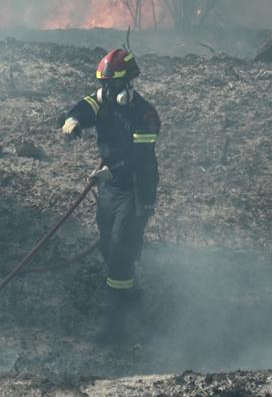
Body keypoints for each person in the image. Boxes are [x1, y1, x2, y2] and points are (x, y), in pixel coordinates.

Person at [61, 48, 161, 344]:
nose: (107, 89)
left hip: (134, 190)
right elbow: (85, 106)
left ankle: (117, 328)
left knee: (120, 252)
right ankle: (132, 298)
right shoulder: (103, 101)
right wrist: (73, 120)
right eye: (104, 84)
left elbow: (142, 157)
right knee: (108, 249)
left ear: (129, 84)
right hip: (109, 188)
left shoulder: (146, 115)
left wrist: (111, 171)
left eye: (113, 84)